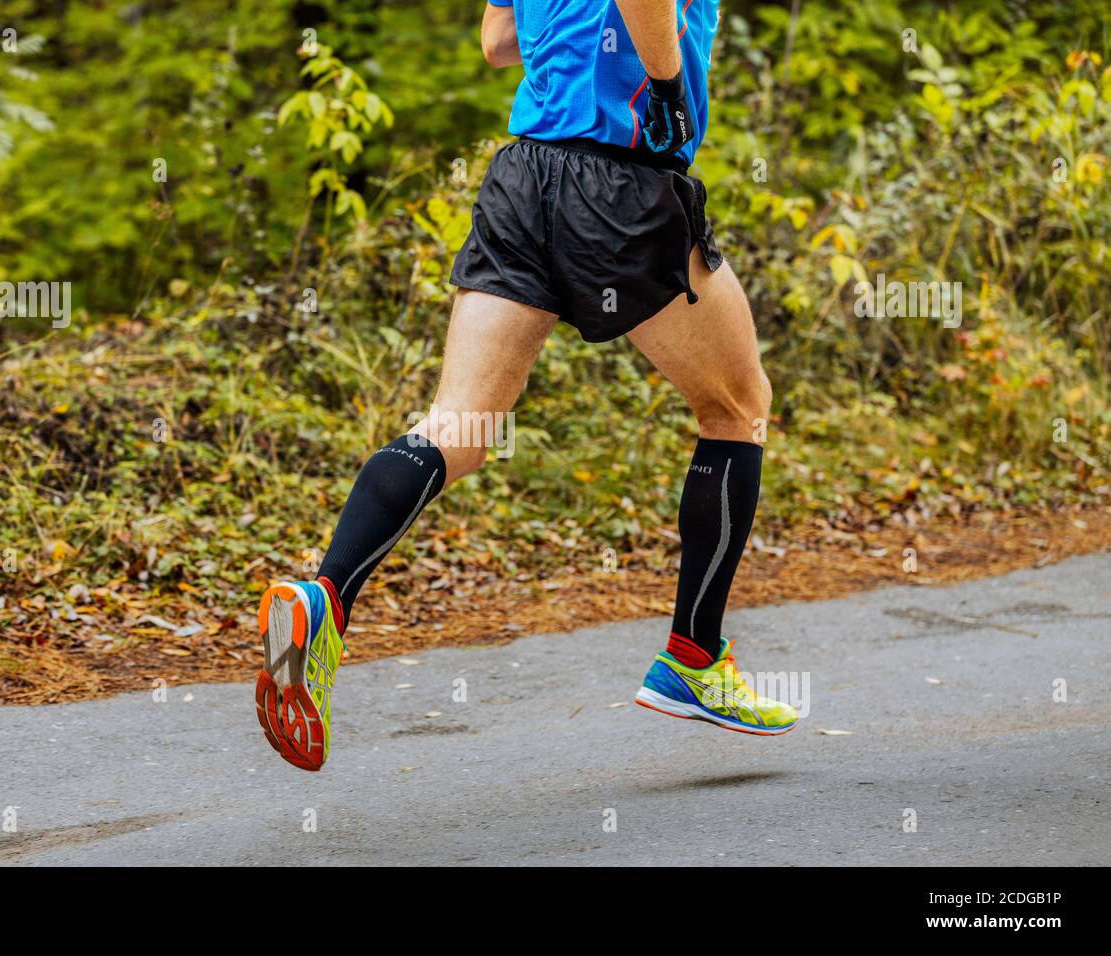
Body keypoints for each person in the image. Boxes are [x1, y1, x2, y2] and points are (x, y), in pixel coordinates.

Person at [255, 0, 799, 772]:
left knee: (459, 424)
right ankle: (693, 659)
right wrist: (668, 81)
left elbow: (499, 41)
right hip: (622, 179)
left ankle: (326, 597)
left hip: (524, 175)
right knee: (738, 407)